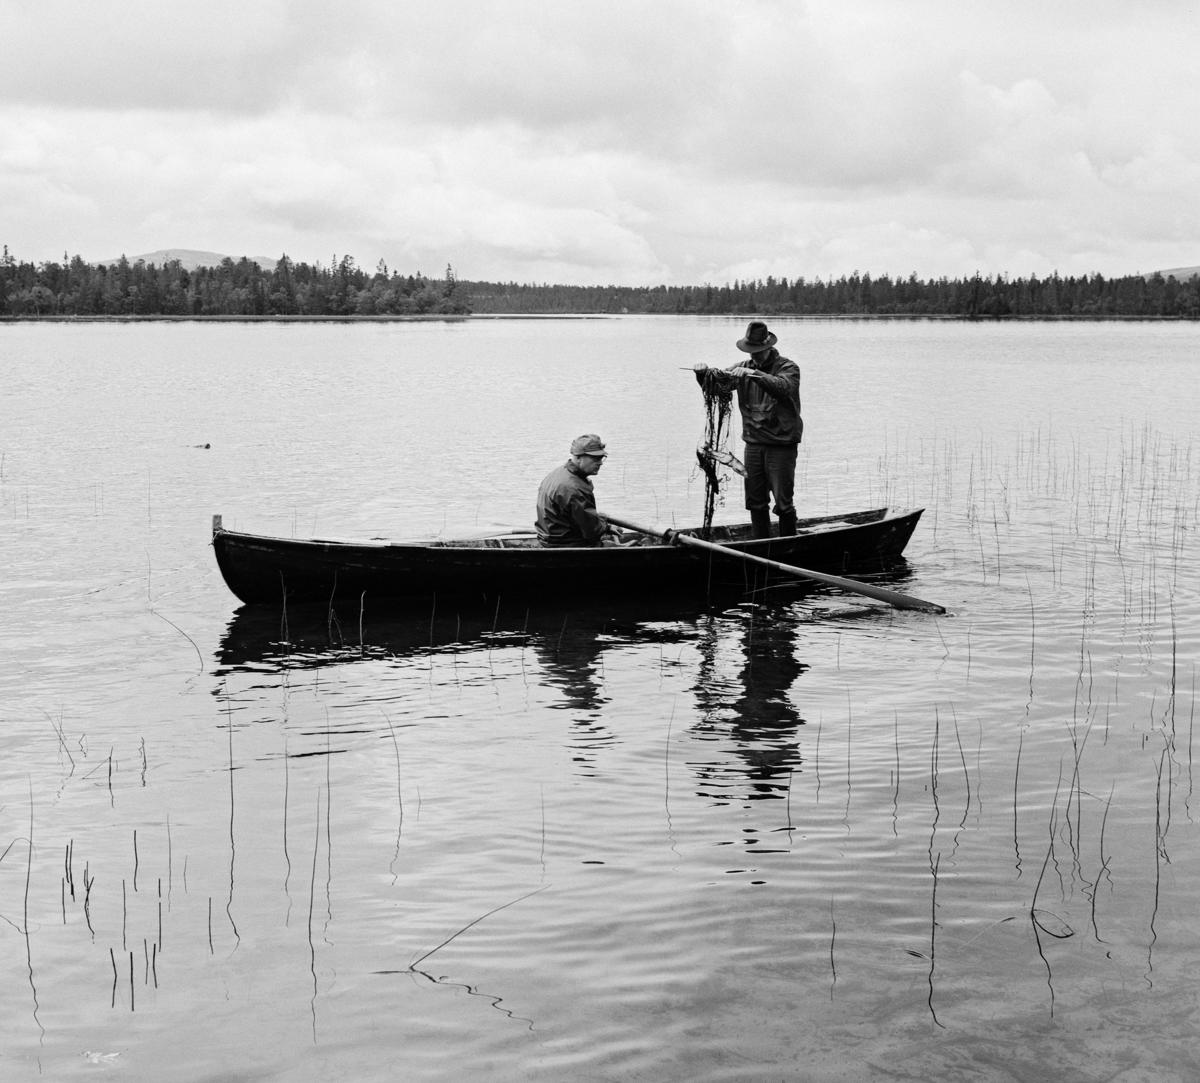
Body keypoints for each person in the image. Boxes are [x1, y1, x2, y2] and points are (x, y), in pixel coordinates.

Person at [694, 320, 803, 538]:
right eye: (750, 351)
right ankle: (760, 544)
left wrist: (754, 375)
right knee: (755, 501)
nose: (754, 356)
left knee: (783, 501)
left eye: (758, 351)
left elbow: (784, 388)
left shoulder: (788, 368)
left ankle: (790, 542)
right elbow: (717, 387)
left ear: (768, 347)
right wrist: (702, 375)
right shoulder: (743, 366)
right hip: (753, 443)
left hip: (781, 444)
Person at [536, 434, 621, 546]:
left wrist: (604, 525)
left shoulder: (558, 473)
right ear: (578, 457)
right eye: (595, 458)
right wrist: (604, 524)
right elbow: (592, 531)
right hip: (564, 544)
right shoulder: (575, 488)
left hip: (547, 539)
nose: (600, 462)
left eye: (601, 458)